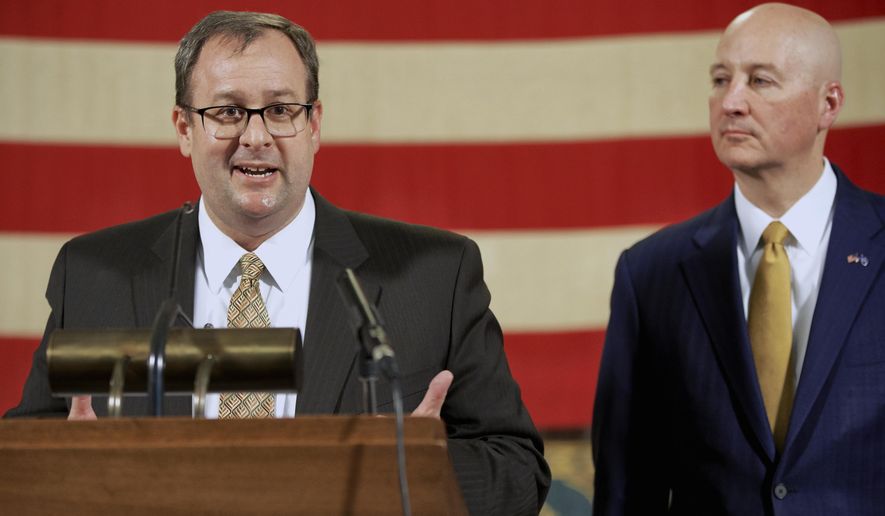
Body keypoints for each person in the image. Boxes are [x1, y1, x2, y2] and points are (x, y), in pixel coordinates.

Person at [4, 11, 550, 515]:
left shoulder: (433, 277)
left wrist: (415, 467)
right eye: (227, 112)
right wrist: (70, 465)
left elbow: (518, 470)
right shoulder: (96, 275)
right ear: (184, 129)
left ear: (314, 125)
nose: (256, 137)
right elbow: (22, 469)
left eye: (281, 110)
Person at [592, 3, 885, 515]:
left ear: (829, 104)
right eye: (720, 79)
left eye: (760, 81)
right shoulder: (650, 273)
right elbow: (626, 490)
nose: (731, 102)